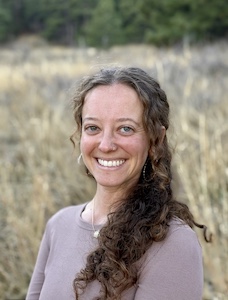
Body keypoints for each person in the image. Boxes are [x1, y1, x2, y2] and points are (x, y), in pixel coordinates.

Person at [26, 67, 211, 300]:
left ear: (156, 139)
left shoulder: (171, 242)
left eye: (125, 129)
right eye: (93, 128)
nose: (106, 145)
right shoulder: (58, 225)